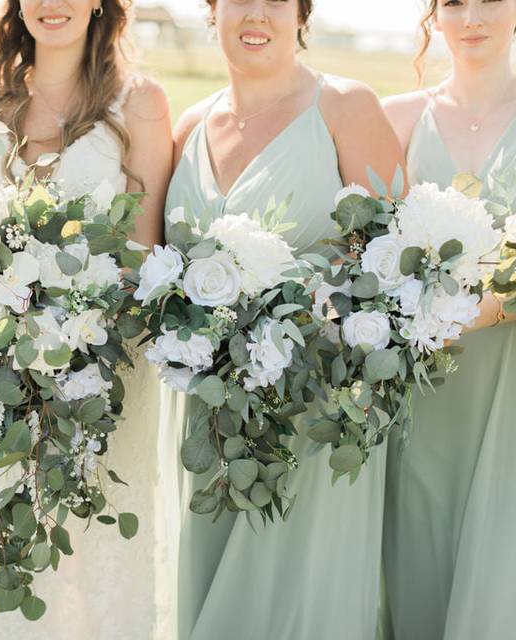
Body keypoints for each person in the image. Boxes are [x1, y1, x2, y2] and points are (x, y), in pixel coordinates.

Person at [162, 1, 403, 637]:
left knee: (297, 600)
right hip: (212, 415)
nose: (257, 13)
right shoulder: (188, 126)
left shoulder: (347, 108)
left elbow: (400, 263)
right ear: (211, 10)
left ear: (301, 15)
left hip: (317, 408)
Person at [0, 0, 174, 637]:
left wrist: (68, 323)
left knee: (101, 538)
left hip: (104, 359)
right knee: (7, 536)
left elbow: (143, 250)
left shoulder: (141, 103)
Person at [381, 1, 516, 637]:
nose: (472, 16)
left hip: (508, 371)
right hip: (424, 386)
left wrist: (495, 305)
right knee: (421, 559)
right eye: (454, 2)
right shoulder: (398, 118)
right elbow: (361, 250)